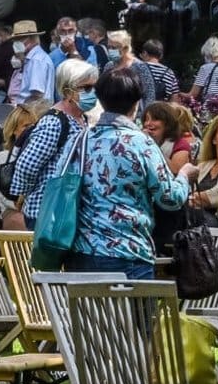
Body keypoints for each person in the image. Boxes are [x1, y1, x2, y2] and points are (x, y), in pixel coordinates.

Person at [64, 65, 194, 279]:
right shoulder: (141, 143)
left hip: (81, 253)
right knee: (137, 314)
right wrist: (185, 175)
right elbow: (170, 198)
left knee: (91, 314)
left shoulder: (81, 140)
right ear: (136, 104)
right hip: (129, 253)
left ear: (101, 99)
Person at [4, 60, 95, 231]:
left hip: (68, 212)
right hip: (47, 213)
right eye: (87, 88)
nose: (93, 92)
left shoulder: (82, 119)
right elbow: (27, 165)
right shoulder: (54, 121)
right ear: (68, 91)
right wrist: (25, 196)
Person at [140, 100, 196, 175]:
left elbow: (176, 171)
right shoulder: (140, 140)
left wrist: (153, 145)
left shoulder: (180, 144)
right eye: (146, 119)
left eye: (155, 119)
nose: (148, 123)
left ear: (167, 122)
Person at [101, 30, 155, 106]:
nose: (110, 50)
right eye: (109, 47)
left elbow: (150, 94)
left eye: (114, 47)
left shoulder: (139, 66)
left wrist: (145, 114)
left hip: (135, 114)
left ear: (125, 48)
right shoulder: (109, 66)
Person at [9, 20, 55, 103]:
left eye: (20, 39)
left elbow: (37, 95)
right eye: (15, 40)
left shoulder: (37, 60)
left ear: (32, 38)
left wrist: (21, 112)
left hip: (32, 112)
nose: (16, 43)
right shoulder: (30, 59)